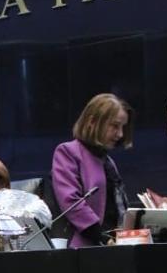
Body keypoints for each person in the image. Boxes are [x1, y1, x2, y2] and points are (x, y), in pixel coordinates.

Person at [51, 93, 133, 248]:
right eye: (115, 126)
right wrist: (103, 238)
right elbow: (71, 203)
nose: (121, 134)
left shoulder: (108, 162)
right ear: (92, 122)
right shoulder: (67, 152)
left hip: (115, 247)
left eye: (123, 127)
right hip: (84, 251)